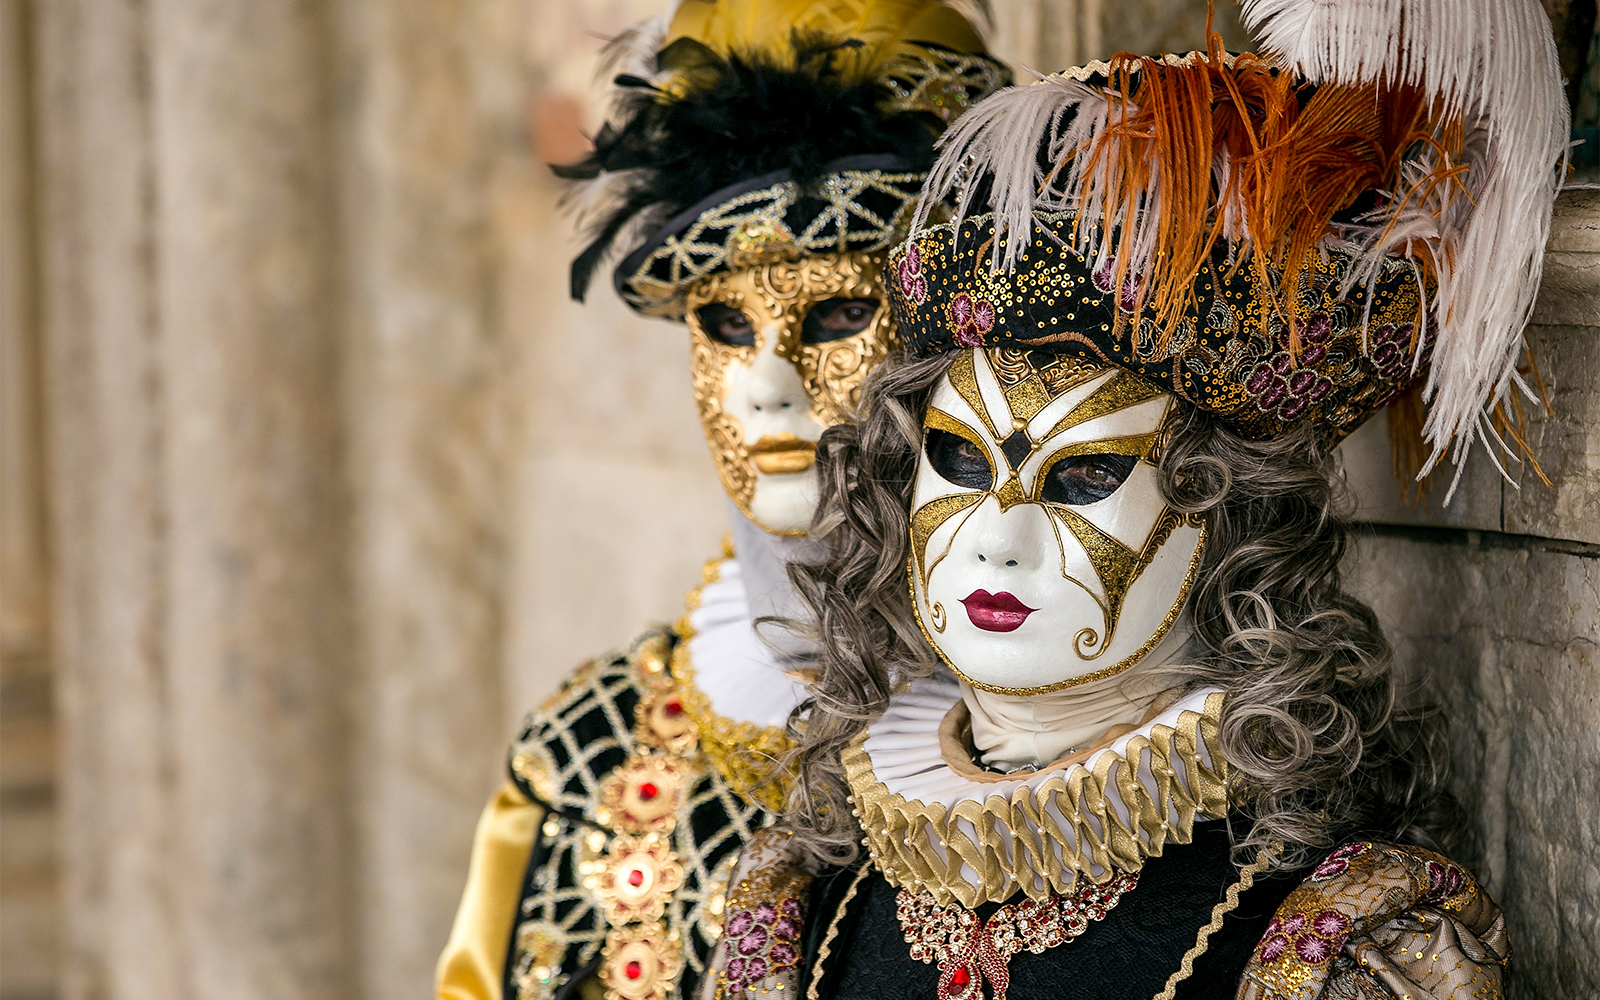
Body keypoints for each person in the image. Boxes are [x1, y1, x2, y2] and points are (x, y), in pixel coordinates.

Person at [702, 1, 1567, 998]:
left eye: (1083, 476)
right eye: (959, 463)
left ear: (1226, 515)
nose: (998, 540)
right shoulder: (799, 899)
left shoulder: (1337, 941)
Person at [434, 4, 1008, 1000]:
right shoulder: (585, 757)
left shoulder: (1080, 762)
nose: (767, 387)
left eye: (835, 313)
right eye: (725, 326)